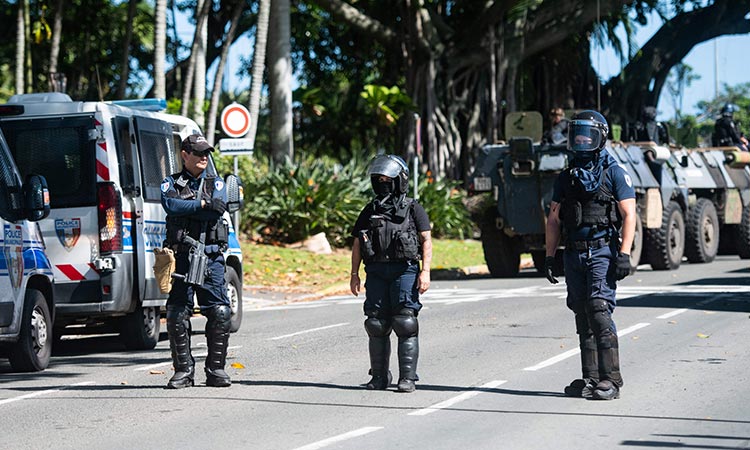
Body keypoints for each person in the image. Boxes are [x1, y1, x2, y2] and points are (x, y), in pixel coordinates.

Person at [544, 110, 636, 400]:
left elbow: (629, 214)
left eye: (588, 134)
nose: (582, 140)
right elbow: (554, 219)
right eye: (577, 134)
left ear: (600, 137)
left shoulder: (614, 172)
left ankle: (611, 380)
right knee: (582, 313)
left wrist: (624, 254)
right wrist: (549, 257)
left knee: (599, 310)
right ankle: (591, 378)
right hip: (573, 253)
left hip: (602, 251)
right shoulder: (567, 176)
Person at [350, 154, 432, 393]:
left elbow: (425, 239)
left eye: (388, 178)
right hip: (375, 271)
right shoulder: (370, 209)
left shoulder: (413, 208)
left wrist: (425, 272)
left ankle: (407, 378)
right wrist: (354, 274)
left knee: (405, 322)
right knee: (375, 323)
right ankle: (378, 376)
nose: (383, 182)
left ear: (399, 180)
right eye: (379, 178)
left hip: (404, 271)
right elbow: (357, 243)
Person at [161, 134, 232, 389]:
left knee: (220, 311)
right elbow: (171, 205)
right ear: (184, 154)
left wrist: (191, 205)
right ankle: (183, 371)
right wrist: (202, 203)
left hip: (211, 256)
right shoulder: (171, 183)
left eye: (206, 153)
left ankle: (216, 370)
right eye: (198, 152)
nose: (204, 157)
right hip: (181, 256)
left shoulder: (217, 183)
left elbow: (219, 207)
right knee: (177, 312)